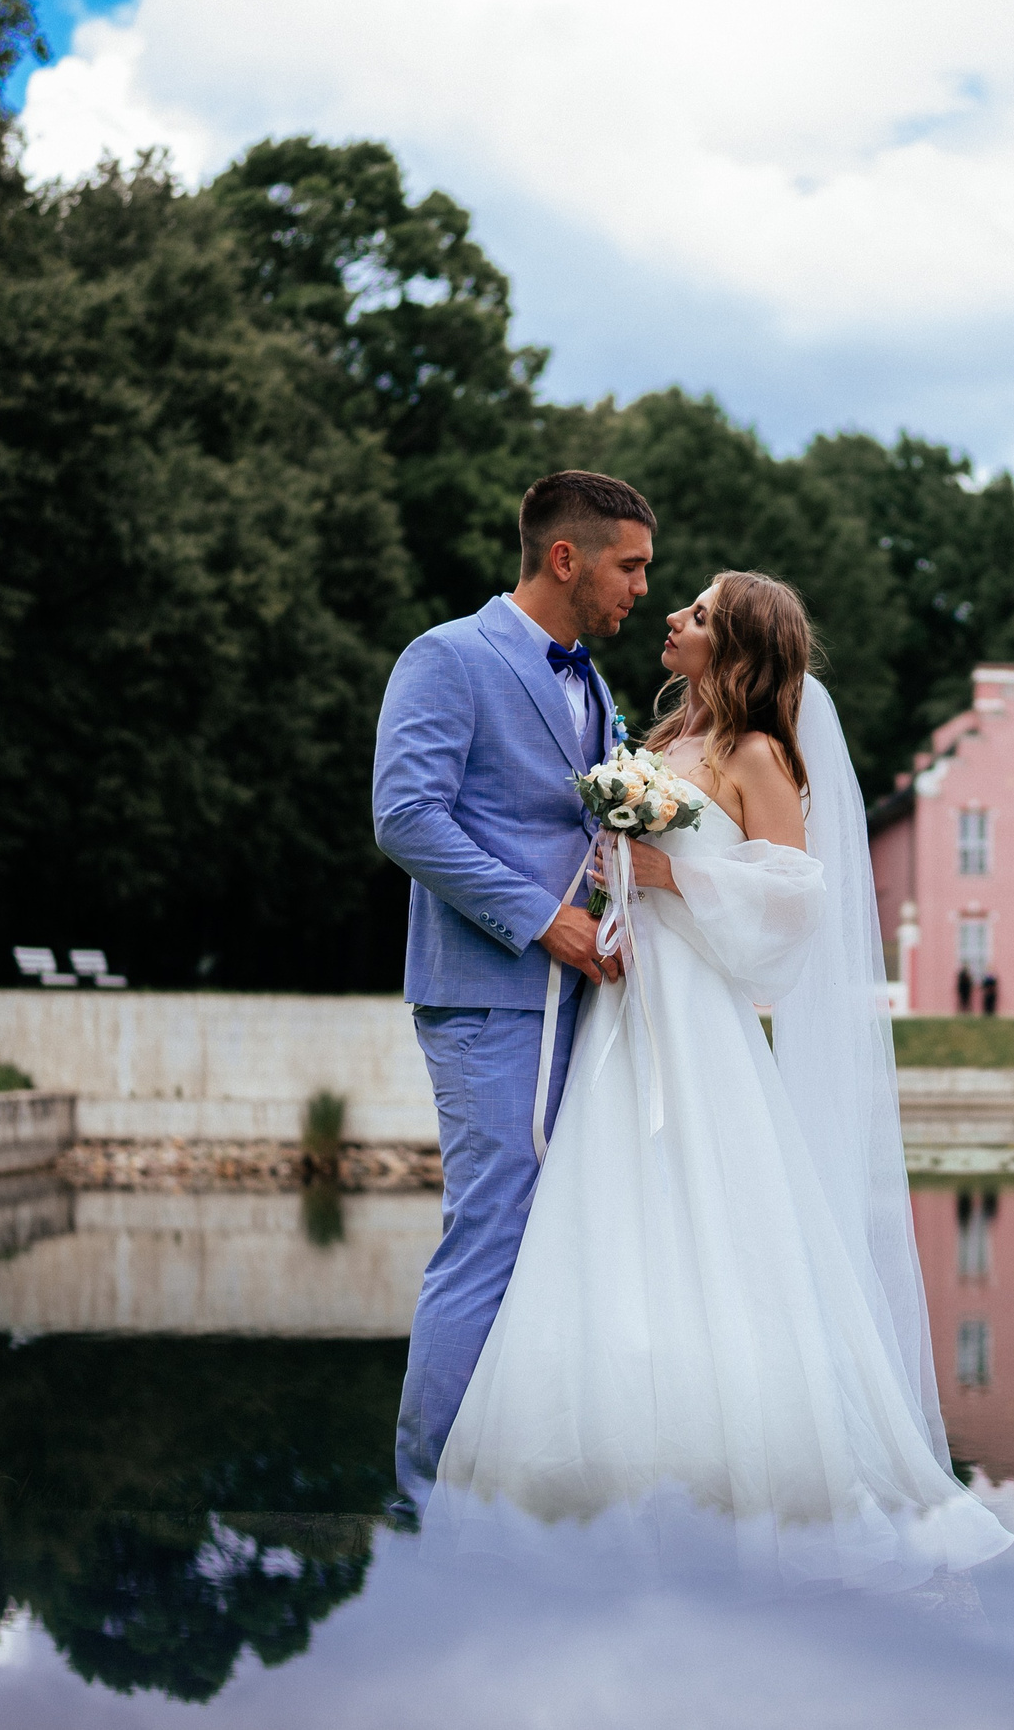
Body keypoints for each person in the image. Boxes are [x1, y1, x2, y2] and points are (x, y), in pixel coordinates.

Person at [431, 570, 1011, 1591]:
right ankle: (592, 1479)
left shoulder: (757, 755)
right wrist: (615, 876)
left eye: (695, 612)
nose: (671, 617)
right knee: (606, 1219)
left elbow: (794, 902)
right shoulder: (653, 749)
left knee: (717, 1224)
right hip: (624, 1005)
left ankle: (747, 1476)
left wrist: (671, 873)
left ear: (735, 646)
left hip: (700, 1016)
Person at [372, 471, 650, 1506]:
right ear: (566, 557)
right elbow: (407, 817)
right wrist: (544, 919)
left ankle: (515, 1477)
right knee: (491, 1228)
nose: (641, 590)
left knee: (559, 1234)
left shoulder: (594, 684)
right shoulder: (448, 657)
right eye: (630, 566)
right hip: (491, 991)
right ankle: (426, 1492)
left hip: (577, 994)